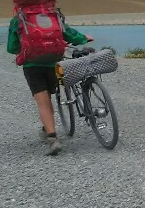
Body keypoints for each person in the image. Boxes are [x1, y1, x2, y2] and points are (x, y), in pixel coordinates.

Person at [7, 10, 93, 156]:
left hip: (32, 66)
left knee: (43, 102)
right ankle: (47, 128)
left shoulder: (18, 19)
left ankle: (53, 139)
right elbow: (67, 33)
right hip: (54, 63)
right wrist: (84, 38)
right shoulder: (52, 16)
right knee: (50, 96)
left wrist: (25, 48)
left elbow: (12, 47)